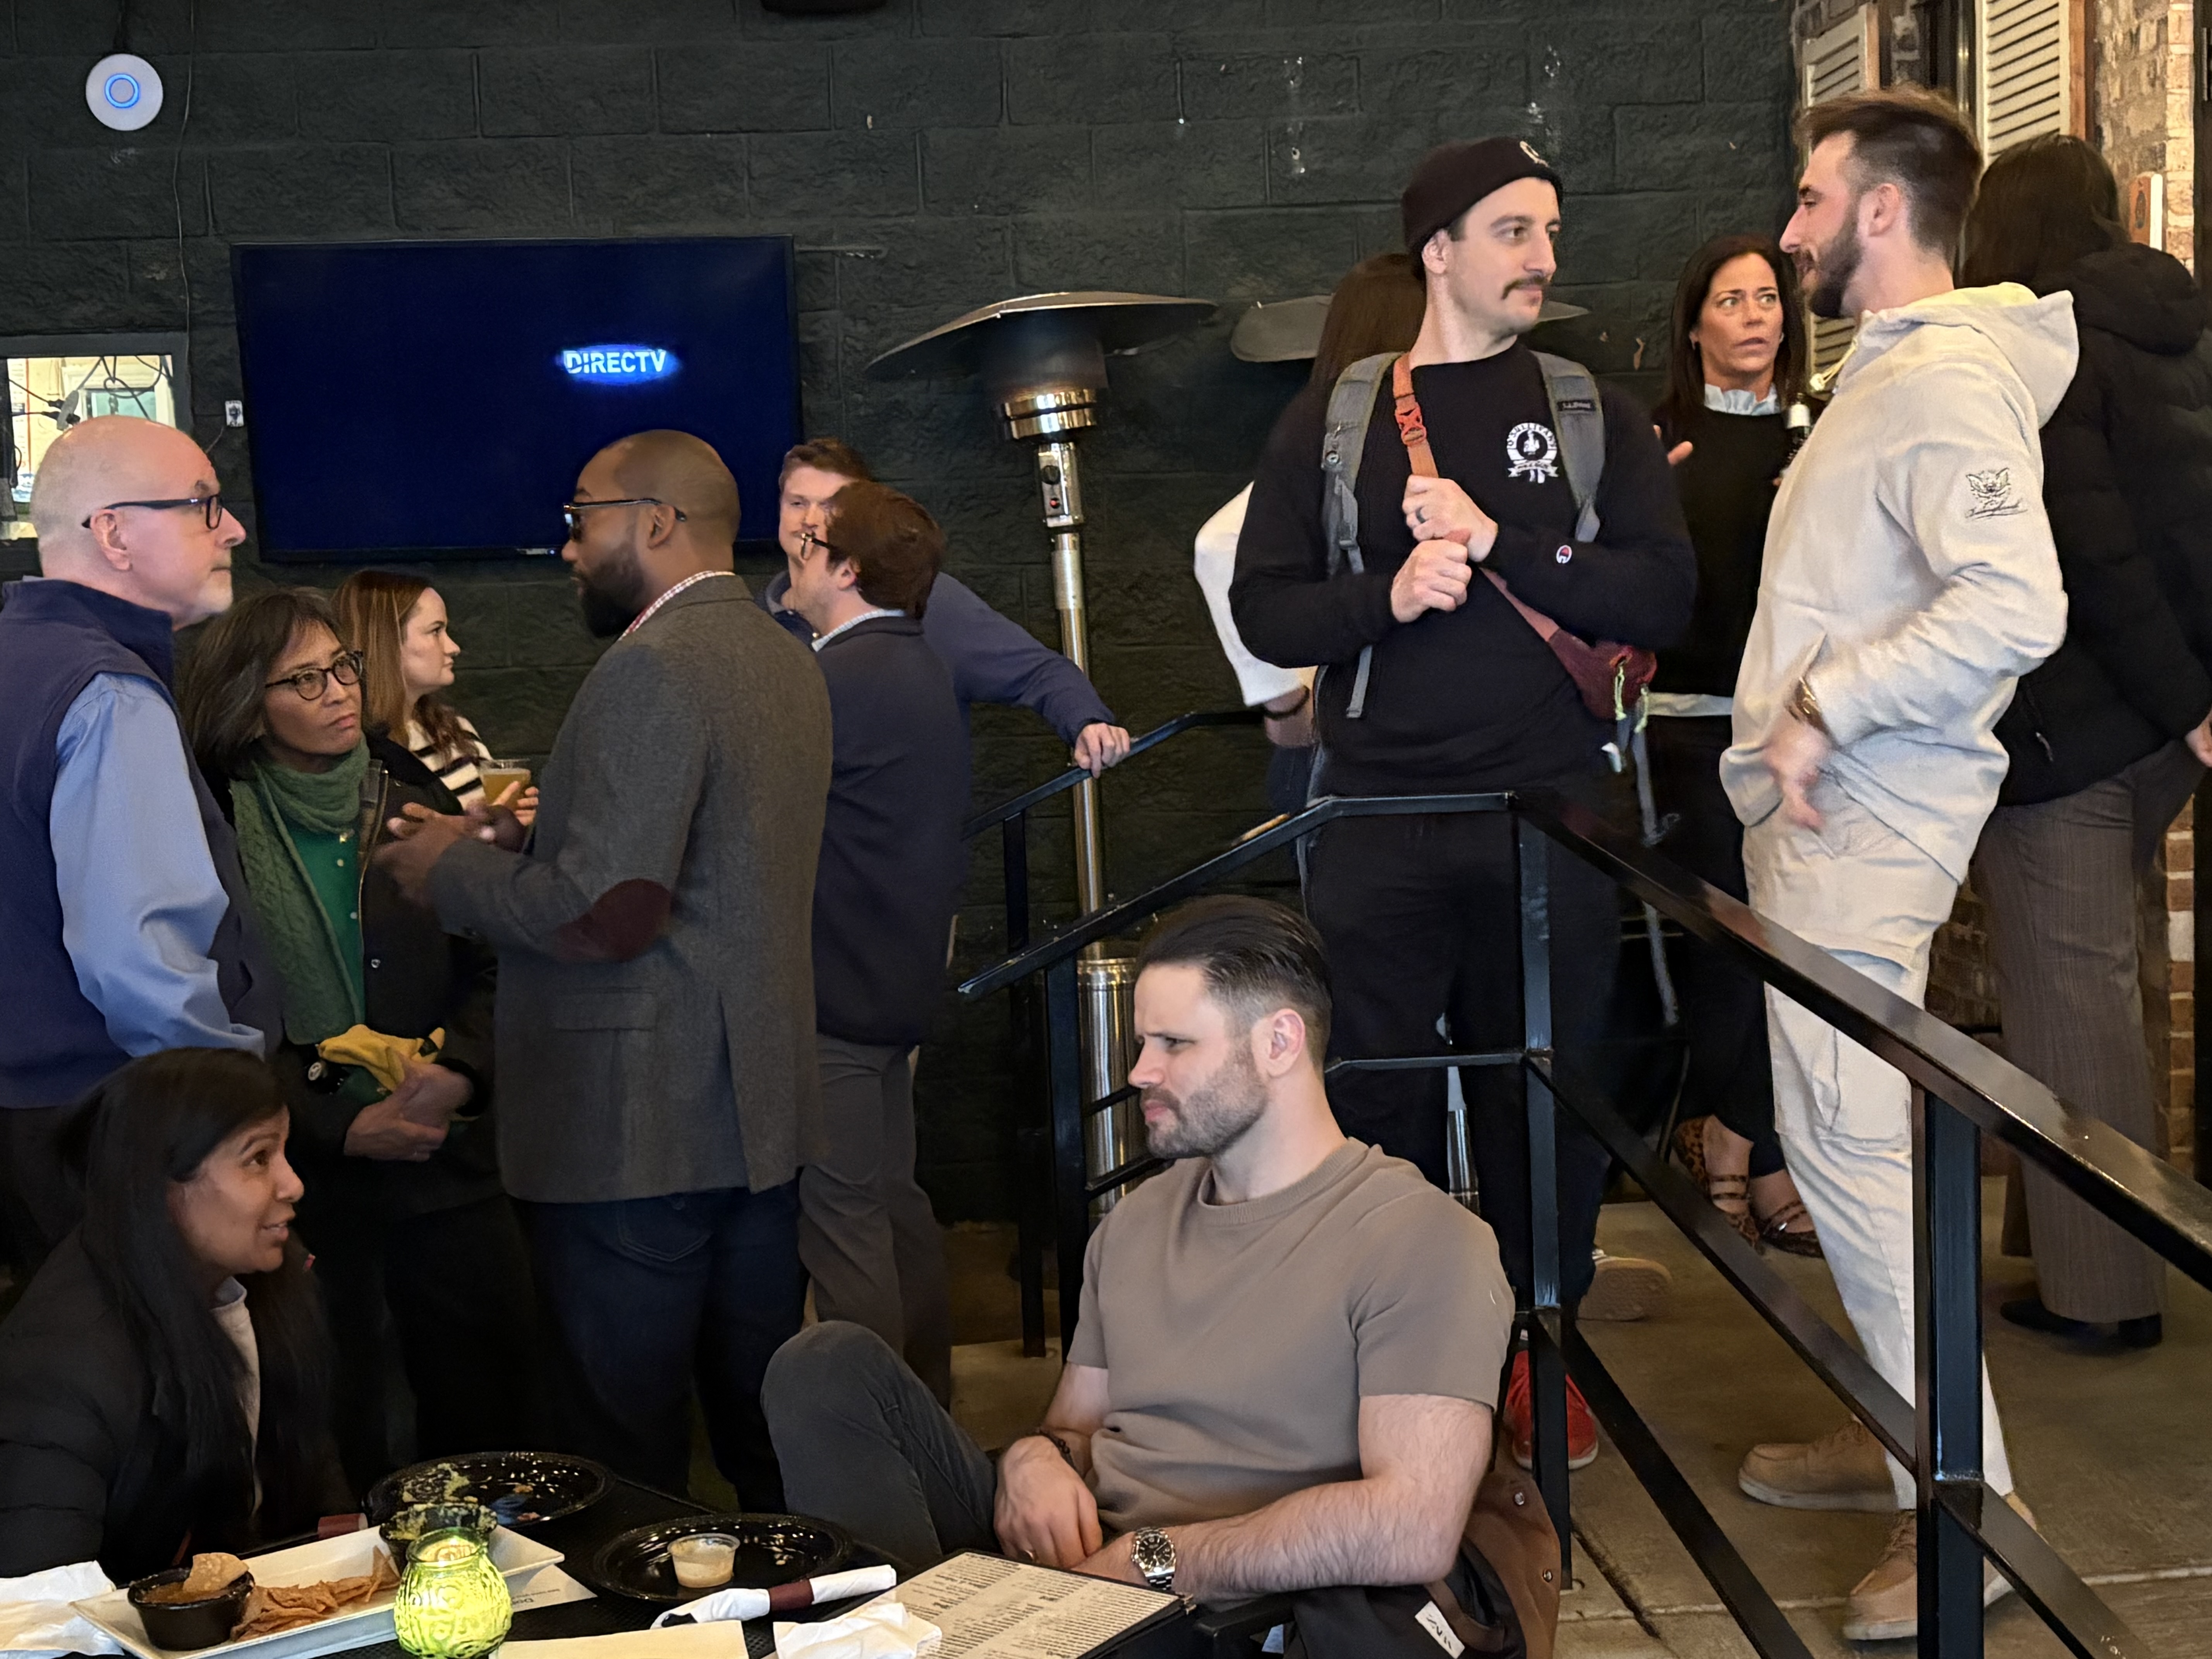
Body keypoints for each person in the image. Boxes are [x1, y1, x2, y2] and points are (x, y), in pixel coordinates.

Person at [1230, 137, 1697, 1468]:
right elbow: (1267, 605)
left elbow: (1663, 594)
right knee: (1369, 1104)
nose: (1542, 256)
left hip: (1548, 813)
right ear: (1437, 247)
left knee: (1538, 1110)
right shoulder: (1336, 419)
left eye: (1549, 229)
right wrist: (1387, 595)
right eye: (1509, 230)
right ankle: (1391, 1373)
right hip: (1375, 814)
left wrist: (1508, 543)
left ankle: (1539, 1369)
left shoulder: (1586, 409)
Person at [1721, 89, 2067, 1642]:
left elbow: (2016, 605)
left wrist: (1825, 710)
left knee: (1857, 1161)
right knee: (1849, 1155)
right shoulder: (1897, 379)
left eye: (1807, 200)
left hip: (1866, 823)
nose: (1789, 230)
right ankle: (1894, 1442)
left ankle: (1972, 1517)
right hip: (1831, 821)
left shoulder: (1942, 388)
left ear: (1876, 210)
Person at [764, 896, 1515, 1606]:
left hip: (1231, 1610)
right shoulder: (1136, 1222)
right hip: (1086, 1568)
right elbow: (1074, 1430)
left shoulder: (1422, 1240)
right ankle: (921, 1636)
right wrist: (1033, 1461)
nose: (1140, 1073)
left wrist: (1152, 1560)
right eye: (1141, 1043)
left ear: (1279, 1043)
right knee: (823, 1367)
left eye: (1175, 1045)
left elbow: (1411, 1528)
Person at [376, 429, 832, 1509]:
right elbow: (706, 869)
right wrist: (530, 845)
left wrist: (447, 867)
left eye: (581, 520)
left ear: (656, 522)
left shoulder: (652, 666)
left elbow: (611, 909)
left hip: (636, 1128)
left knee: (622, 1458)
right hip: (756, 1114)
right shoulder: (784, 654)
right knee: (766, 1441)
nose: (570, 549)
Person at [179, 587, 536, 1490]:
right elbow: (208, 1012)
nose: (340, 692)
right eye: (305, 680)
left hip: (447, 1162)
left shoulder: (410, 791)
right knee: (338, 1427)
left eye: (344, 667)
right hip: (302, 1173)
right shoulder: (210, 826)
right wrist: (337, 1127)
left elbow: (495, 965)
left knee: (489, 1416)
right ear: (245, 703)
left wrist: (458, 1071)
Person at [1959, 134, 2212, 1350]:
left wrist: (2178, 699)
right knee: (2116, 988)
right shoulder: (2178, 332)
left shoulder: (2049, 354)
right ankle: (2078, 1250)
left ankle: (2104, 1295)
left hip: (2081, 724)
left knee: (2072, 1000)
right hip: (2160, 727)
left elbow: (2099, 564)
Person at [0, 415, 278, 1277]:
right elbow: (143, 964)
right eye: (202, 505)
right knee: (164, 1398)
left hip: (24, 1129)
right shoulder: (108, 694)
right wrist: (240, 1112)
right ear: (113, 532)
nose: (231, 528)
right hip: (105, 1126)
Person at [0, 1048, 344, 1579]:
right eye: (258, 1158)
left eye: (285, 1152)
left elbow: (313, 1482)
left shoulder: (273, 1276)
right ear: (161, 1187)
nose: (293, 1184)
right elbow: (41, 1623)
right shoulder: (61, 1372)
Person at [1647, 235, 1822, 1257]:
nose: (1757, 315)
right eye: (1732, 299)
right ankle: (1747, 1153)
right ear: (1694, 322)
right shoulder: (1658, 438)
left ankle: (1741, 1144)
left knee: (1794, 943)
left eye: (1769, 297)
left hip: (1803, 726)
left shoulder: (1824, 431)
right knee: (1734, 944)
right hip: (1687, 726)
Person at [783, 481, 968, 1408]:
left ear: (847, 569)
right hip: (894, 987)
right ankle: (932, 1418)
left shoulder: (833, 680)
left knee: (848, 1227)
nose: (795, 549)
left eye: (812, 540)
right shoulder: (919, 663)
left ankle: (880, 1455)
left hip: (835, 994)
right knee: (896, 1210)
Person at [1196, 254, 1427, 815]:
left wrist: (1282, 701)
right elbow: (1219, 541)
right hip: (1356, 755)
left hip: (1359, 741)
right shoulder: (1335, 442)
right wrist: (1284, 705)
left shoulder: (1334, 436)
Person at [764, 438, 1131, 777]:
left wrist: (1087, 722)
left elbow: (1037, 671)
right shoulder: (754, 626)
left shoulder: (925, 601)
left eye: (832, 506)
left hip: (902, 838)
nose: (810, 520)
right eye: (798, 503)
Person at [334, 569, 537, 824]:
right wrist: (481, 830)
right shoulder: (356, 751)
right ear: (387, 642)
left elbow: (496, 826)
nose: (454, 648)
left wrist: (514, 821)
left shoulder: (454, 730)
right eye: (435, 631)